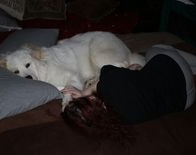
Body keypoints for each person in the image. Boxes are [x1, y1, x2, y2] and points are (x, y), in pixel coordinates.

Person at [61, 45, 195, 131]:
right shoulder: (109, 82)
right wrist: (85, 91)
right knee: (155, 49)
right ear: (89, 98)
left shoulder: (121, 121)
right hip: (176, 71)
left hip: (185, 101)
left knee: (141, 71)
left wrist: (135, 73)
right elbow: (106, 71)